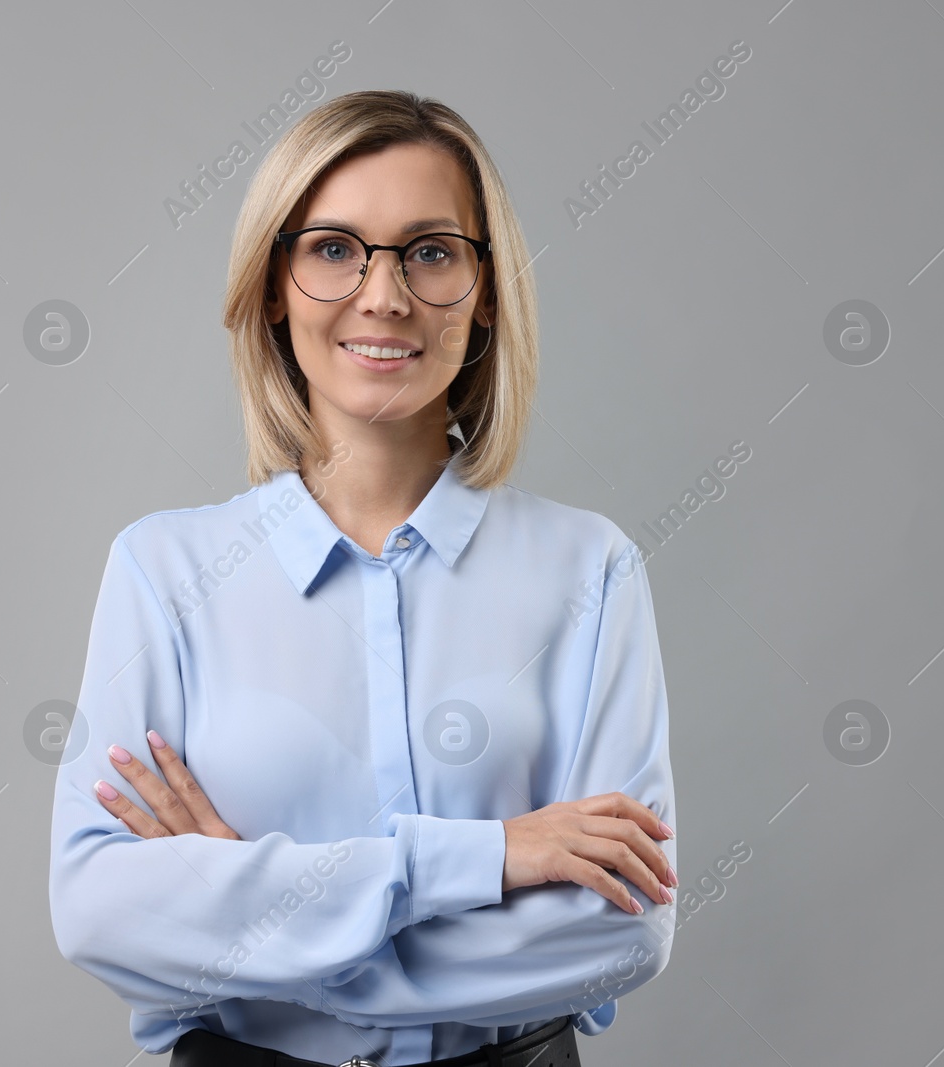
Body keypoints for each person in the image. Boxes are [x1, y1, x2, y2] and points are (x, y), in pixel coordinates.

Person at [48, 89, 678, 1067]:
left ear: (486, 292)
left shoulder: (588, 569)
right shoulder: (162, 570)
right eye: (334, 247)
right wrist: (491, 856)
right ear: (273, 284)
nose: (383, 295)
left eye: (430, 251)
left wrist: (248, 916)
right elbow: (98, 911)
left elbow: (620, 933)